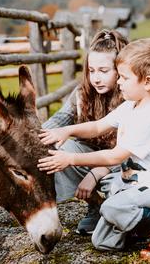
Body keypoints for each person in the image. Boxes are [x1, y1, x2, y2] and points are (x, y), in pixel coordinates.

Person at [38, 38, 150, 261]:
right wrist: (66, 131)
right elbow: (98, 126)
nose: (119, 83)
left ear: (148, 82)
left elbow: (115, 156)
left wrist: (70, 158)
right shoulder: (131, 105)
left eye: (124, 78)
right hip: (134, 185)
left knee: (112, 208)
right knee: (102, 242)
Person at [42, 29, 128, 235]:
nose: (96, 78)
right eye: (92, 70)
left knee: (123, 175)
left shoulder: (129, 96)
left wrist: (96, 173)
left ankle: (119, 212)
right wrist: (31, 137)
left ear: (120, 70)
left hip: (122, 161)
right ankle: (97, 206)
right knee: (57, 150)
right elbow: (58, 122)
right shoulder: (82, 94)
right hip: (92, 156)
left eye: (104, 71)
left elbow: (130, 151)